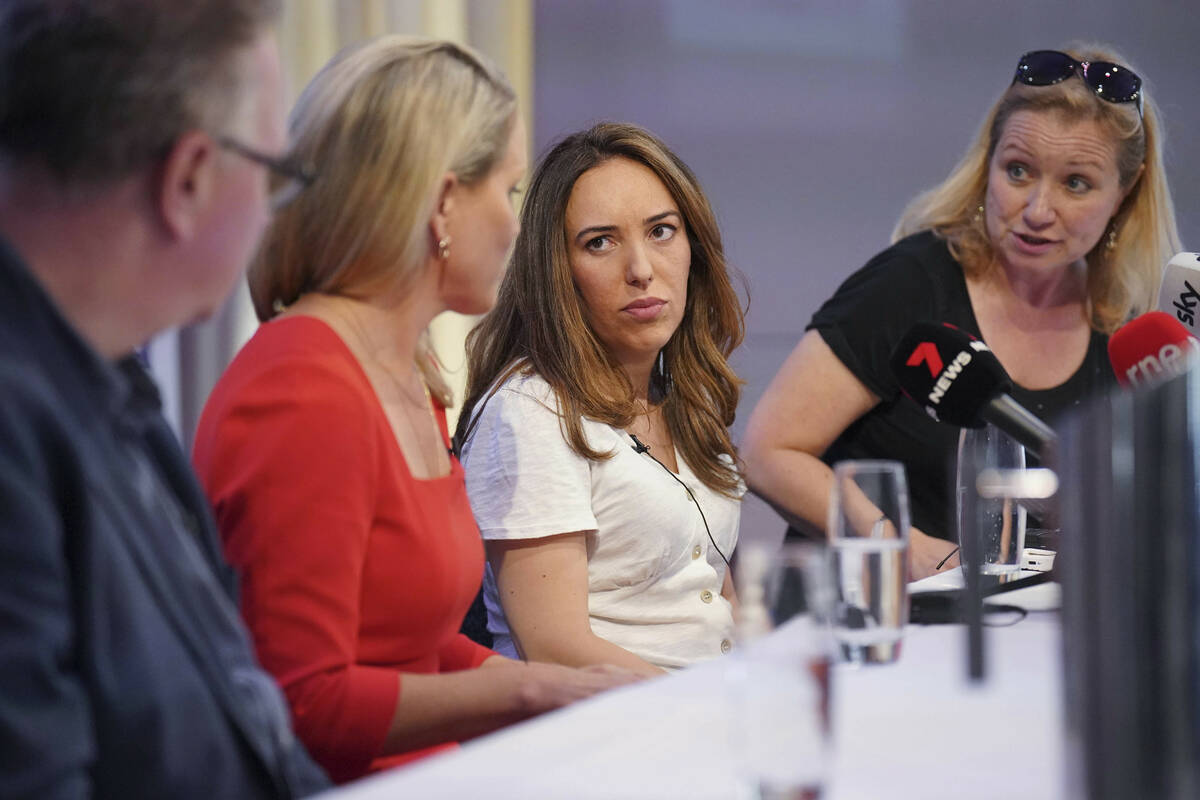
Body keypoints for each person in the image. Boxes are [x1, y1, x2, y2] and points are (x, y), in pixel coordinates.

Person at [191, 37, 638, 784]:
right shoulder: (303, 389)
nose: (516, 225)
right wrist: (531, 686)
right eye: (510, 192)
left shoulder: (407, 369)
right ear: (442, 205)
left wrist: (567, 689)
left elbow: (412, 643)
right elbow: (301, 704)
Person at [0, 1, 331, 797]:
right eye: (274, 176)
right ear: (187, 180)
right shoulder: (20, 423)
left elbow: (243, 718)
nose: (269, 214)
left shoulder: (108, 383)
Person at [743, 44, 1181, 579]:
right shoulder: (910, 282)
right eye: (1018, 171)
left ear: (1124, 193)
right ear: (989, 162)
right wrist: (905, 549)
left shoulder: (1130, 327)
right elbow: (769, 453)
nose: (1038, 211)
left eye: (1076, 184)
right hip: (878, 622)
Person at [455, 122, 746, 675]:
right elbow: (557, 649)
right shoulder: (531, 410)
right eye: (600, 243)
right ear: (556, 271)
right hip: (607, 732)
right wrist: (710, 708)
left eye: (661, 231)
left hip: (708, 714)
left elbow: (709, 601)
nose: (640, 270)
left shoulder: (684, 395)